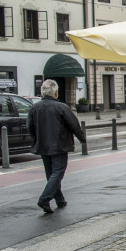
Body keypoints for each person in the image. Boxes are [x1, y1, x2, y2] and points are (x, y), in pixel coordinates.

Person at [27, 79, 86, 214]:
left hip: (43, 144)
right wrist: (82, 138)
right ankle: (44, 199)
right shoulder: (61, 107)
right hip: (59, 144)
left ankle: (60, 200)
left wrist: (36, 138)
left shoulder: (35, 107)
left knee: (51, 174)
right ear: (55, 92)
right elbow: (74, 124)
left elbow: (29, 126)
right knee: (58, 172)